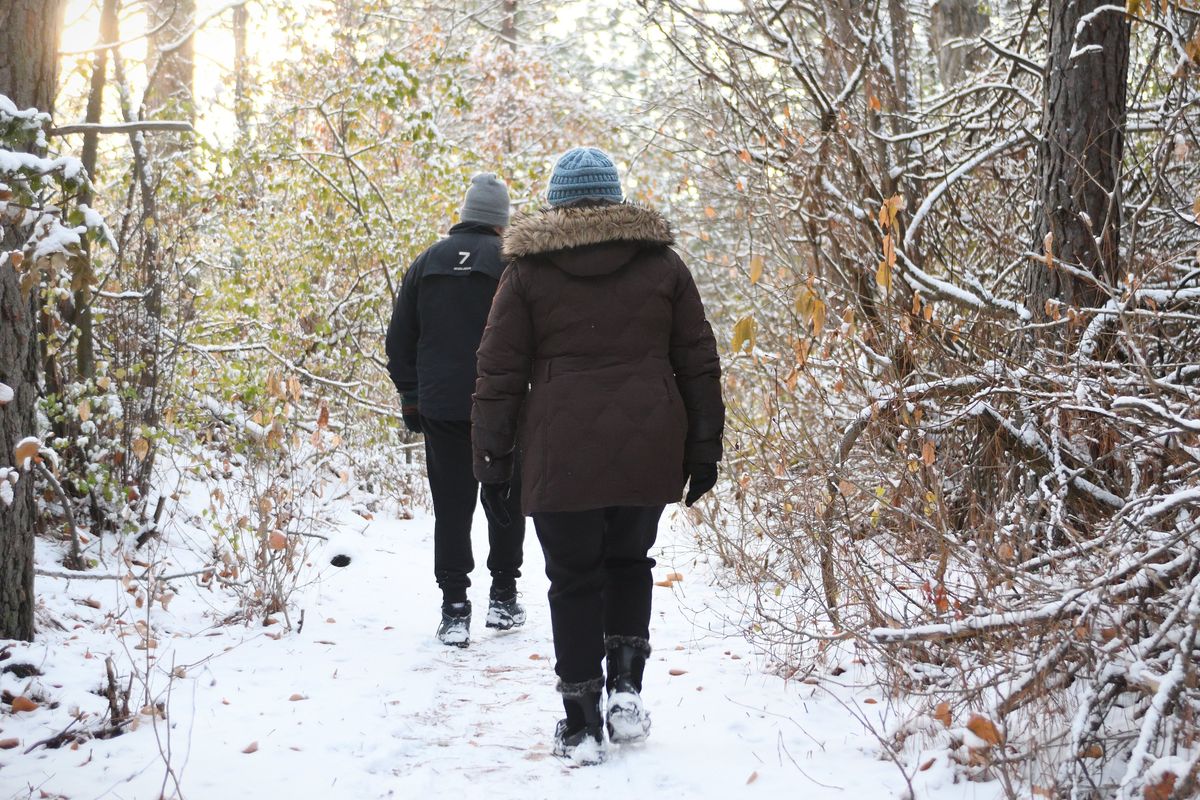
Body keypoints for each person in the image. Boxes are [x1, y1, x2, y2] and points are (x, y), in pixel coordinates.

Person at [471, 147, 724, 762]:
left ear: (557, 202)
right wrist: (703, 447)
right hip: (648, 443)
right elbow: (698, 361)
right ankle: (626, 691)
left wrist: (492, 461)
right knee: (630, 561)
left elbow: (499, 372)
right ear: (614, 199)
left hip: (562, 451)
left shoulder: (528, 273)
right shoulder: (661, 264)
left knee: (573, 579)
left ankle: (581, 721)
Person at [386, 173, 527, 648]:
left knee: (451, 506)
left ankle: (454, 609)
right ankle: (504, 599)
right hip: (502, 407)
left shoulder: (427, 261)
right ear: (501, 221)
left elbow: (400, 337)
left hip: (442, 406)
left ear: (466, 214)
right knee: (506, 500)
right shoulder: (513, 263)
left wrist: (412, 398)